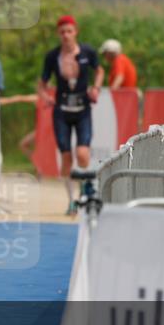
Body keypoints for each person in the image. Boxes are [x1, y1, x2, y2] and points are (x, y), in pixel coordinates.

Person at [38, 15, 104, 214]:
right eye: (62, 32)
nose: (66, 35)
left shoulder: (87, 52)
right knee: (66, 157)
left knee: (82, 153)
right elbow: (42, 84)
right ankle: (71, 200)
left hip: (83, 109)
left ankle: (85, 187)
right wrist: (45, 96)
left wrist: (96, 88)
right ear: (59, 34)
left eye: (69, 31)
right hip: (61, 111)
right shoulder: (53, 56)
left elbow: (99, 70)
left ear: (76, 32)